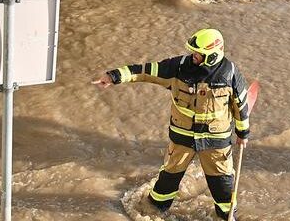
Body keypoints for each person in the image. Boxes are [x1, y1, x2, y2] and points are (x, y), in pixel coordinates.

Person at [93, 29, 253, 220]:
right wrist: (114, 76)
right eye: (193, 52)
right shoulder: (178, 67)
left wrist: (243, 134)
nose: (193, 56)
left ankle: (226, 215)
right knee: (168, 178)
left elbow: (241, 107)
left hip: (215, 140)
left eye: (198, 54)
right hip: (182, 136)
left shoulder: (231, 75)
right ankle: (153, 209)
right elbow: (145, 71)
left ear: (212, 55)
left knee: (223, 183)